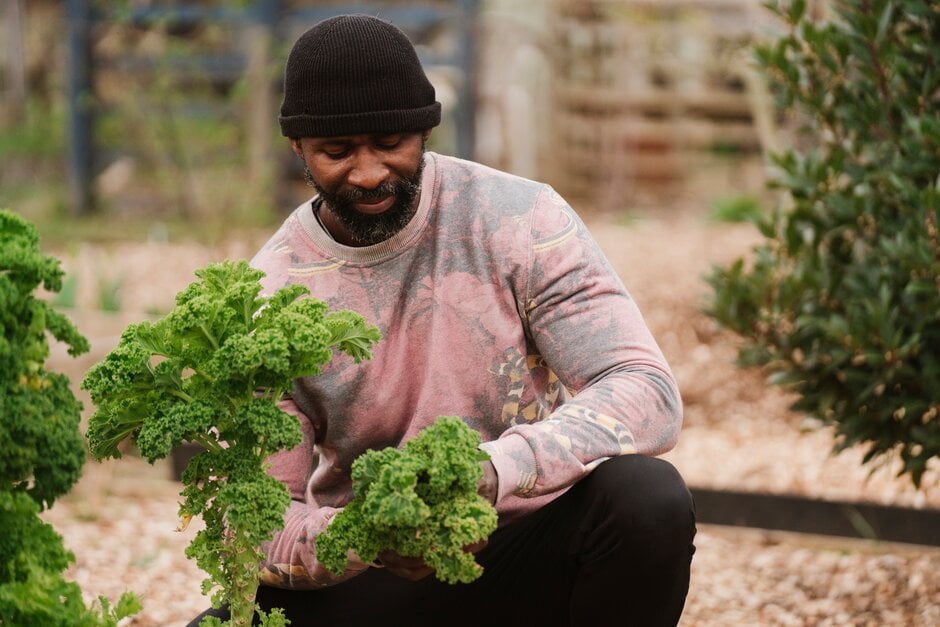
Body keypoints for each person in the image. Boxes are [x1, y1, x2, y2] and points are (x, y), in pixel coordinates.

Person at [188, 13, 695, 627]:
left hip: (527, 552)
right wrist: (363, 535)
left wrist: (497, 469)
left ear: (426, 129)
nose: (369, 172)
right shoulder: (269, 295)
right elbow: (261, 520)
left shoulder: (520, 220)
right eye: (337, 151)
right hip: (375, 580)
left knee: (645, 498)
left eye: (390, 143)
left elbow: (645, 388)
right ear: (297, 147)